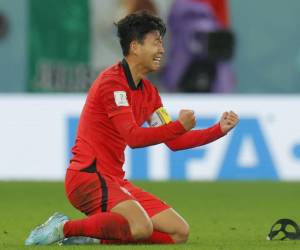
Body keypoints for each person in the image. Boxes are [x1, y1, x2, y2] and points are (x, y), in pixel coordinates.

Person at [25, 10, 239, 246]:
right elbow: (134, 138)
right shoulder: (112, 83)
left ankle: (95, 236)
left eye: (162, 43)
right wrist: (179, 126)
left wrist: (218, 130)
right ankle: (64, 227)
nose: (162, 50)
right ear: (135, 47)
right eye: (156, 43)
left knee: (179, 232)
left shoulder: (149, 93)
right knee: (140, 226)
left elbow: (175, 142)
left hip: (114, 180)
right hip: (88, 176)